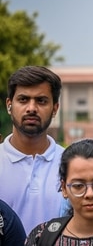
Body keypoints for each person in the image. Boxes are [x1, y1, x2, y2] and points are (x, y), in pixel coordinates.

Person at [0, 66, 64, 234]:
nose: (31, 108)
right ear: (9, 105)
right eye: (23, 99)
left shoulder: (71, 164)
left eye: (41, 101)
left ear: (55, 108)